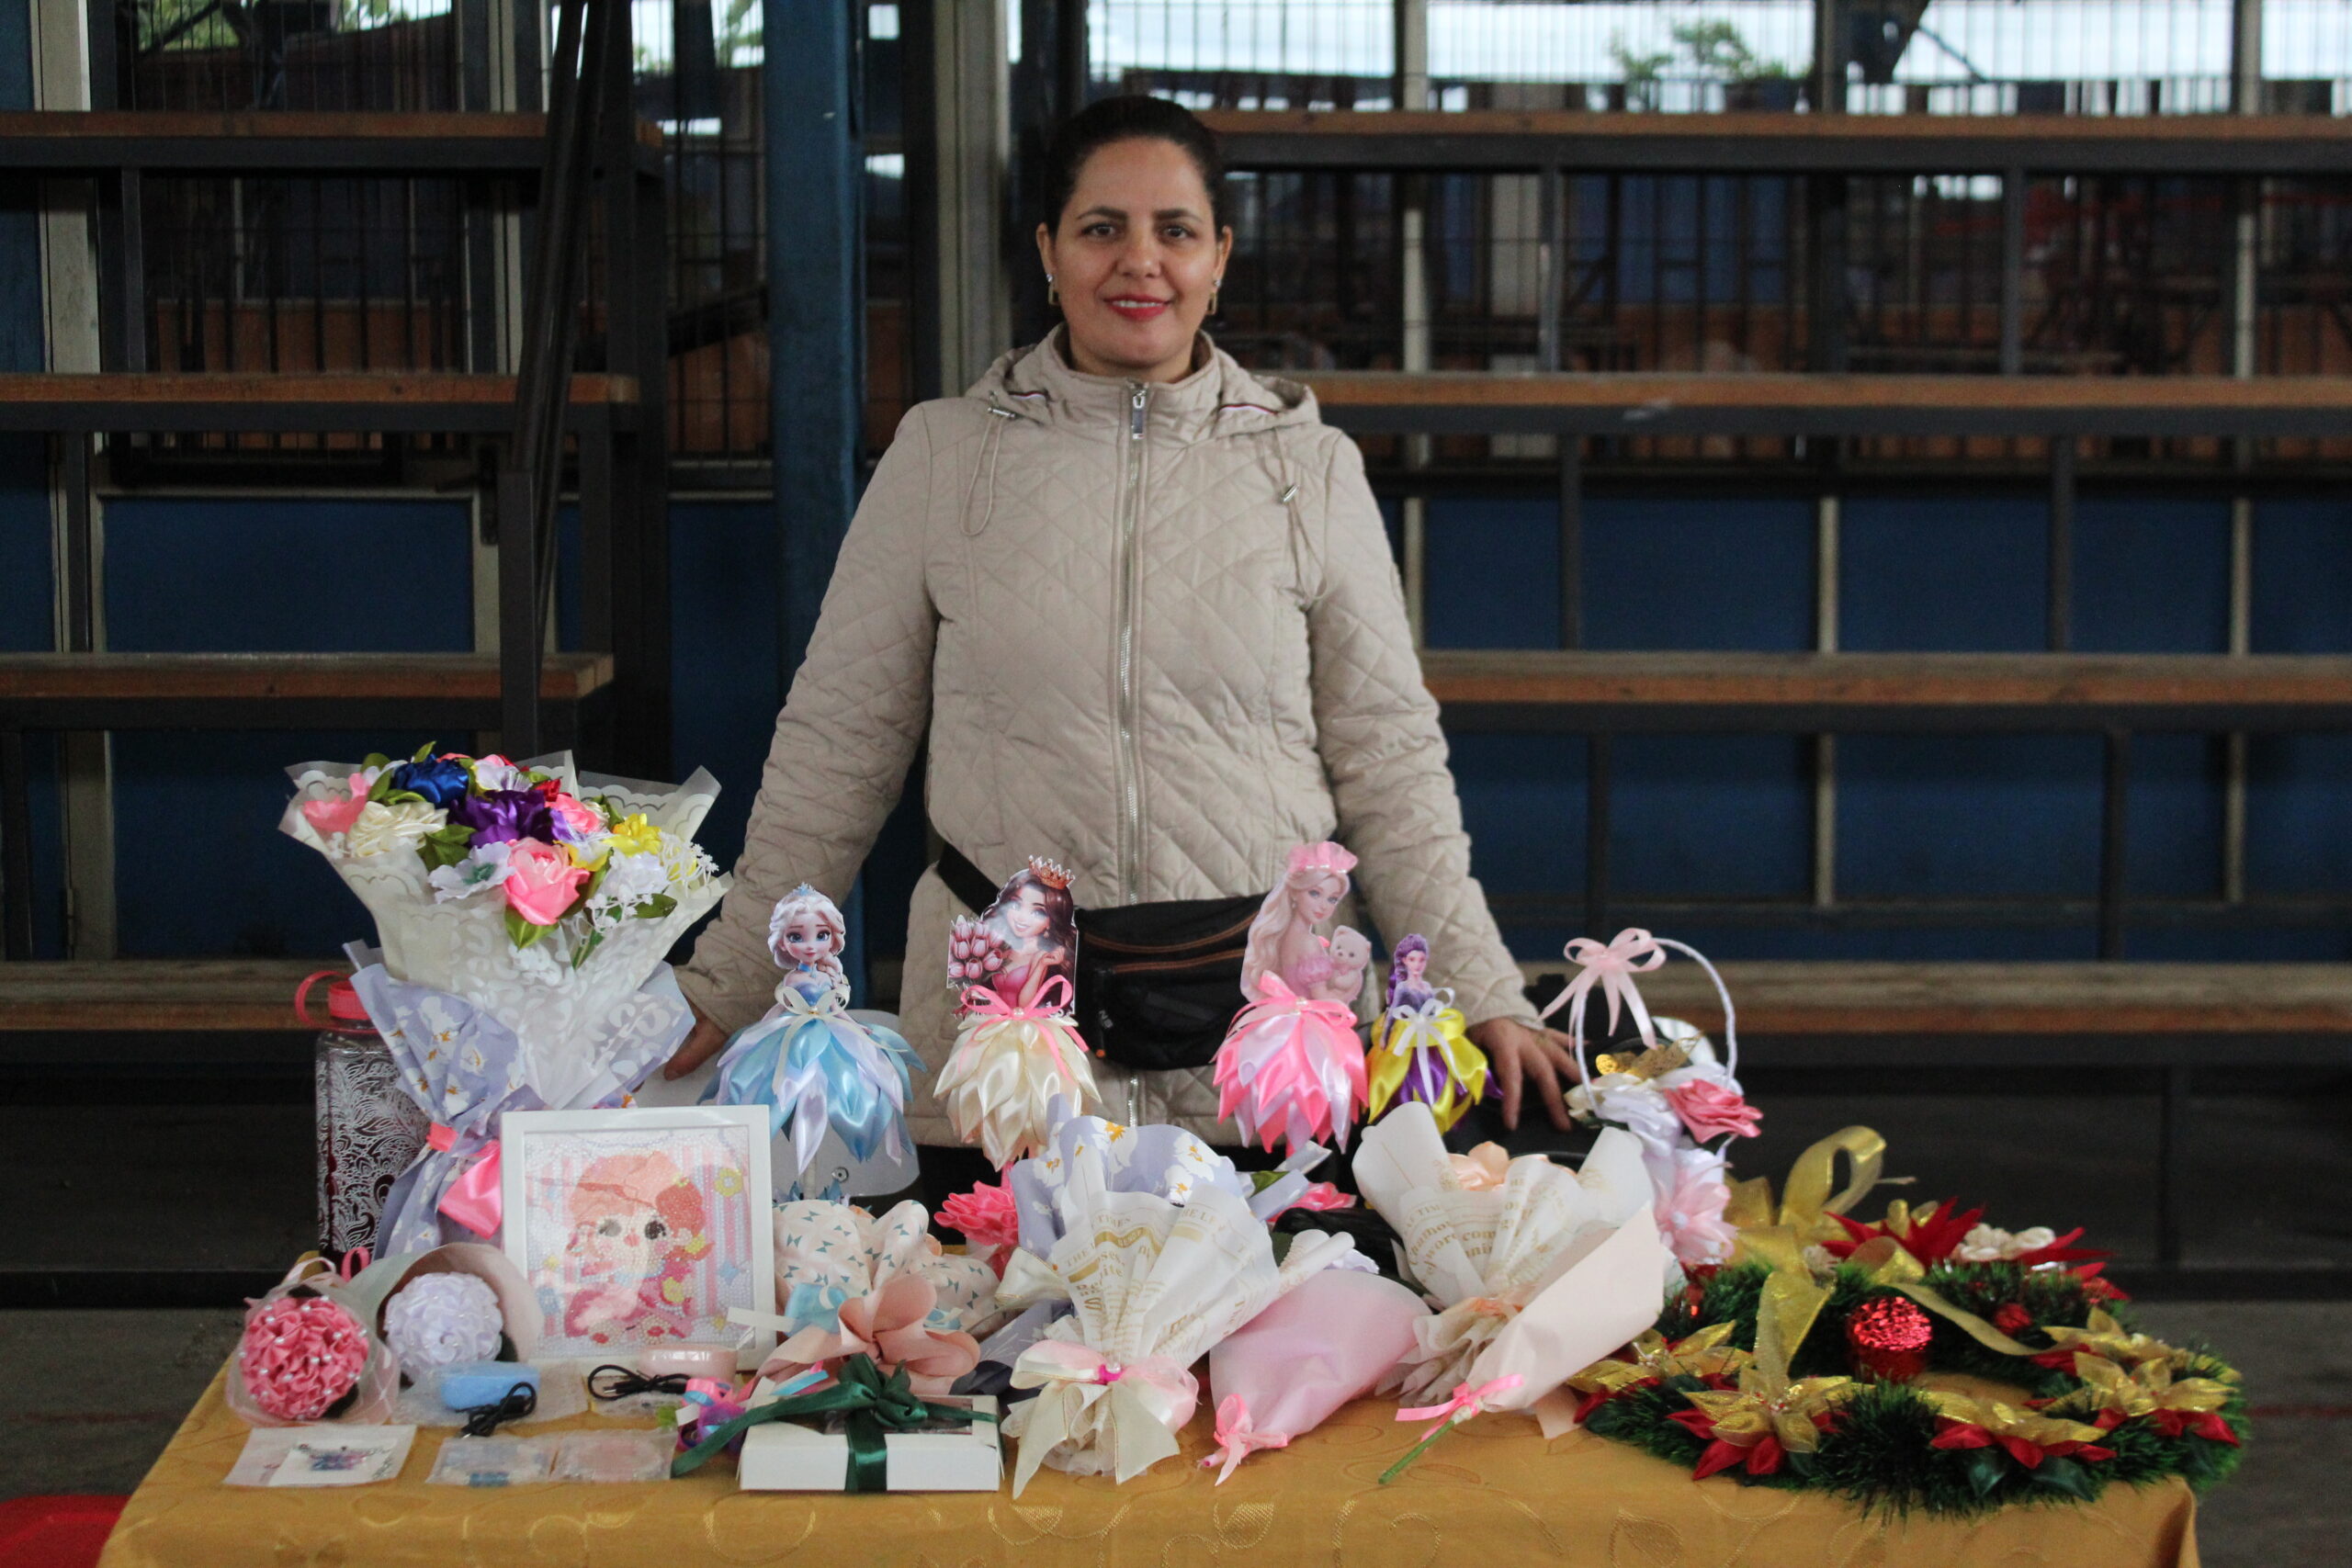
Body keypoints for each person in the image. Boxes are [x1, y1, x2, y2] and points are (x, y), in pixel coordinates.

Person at [661, 93, 1580, 1166]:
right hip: (1007, 1047)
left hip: (1267, 1044)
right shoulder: (944, 457)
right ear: (1049, 250)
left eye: (1174, 231)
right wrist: (728, 978)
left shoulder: (1309, 469)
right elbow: (839, 738)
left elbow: (1389, 756)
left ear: (1219, 257)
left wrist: (1478, 989)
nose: (1139, 262)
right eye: (1102, 229)